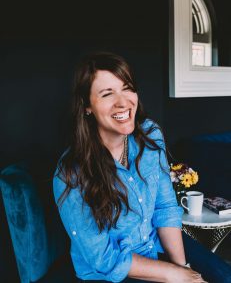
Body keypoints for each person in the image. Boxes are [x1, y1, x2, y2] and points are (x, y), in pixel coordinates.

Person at [53, 52, 231, 283]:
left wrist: (183, 268)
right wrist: (172, 274)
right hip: (109, 273)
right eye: (107, 93)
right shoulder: (70, 174)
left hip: (154, 248)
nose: (123, 101)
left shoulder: (150, 135)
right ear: (87, 106)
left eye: (127, 88)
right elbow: (103, 258)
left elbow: (164, 206)